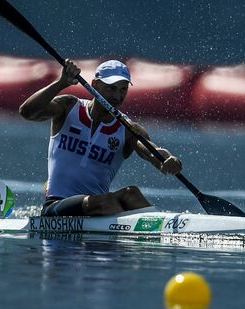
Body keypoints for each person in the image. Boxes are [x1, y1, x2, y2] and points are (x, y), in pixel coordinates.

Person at [19, 59, 183, 217]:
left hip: (98, 207)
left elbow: (151, 151)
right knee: (104, 202)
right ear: (95, 85)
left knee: (131, 194)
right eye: (111, 88)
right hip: (56, 206)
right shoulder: (69, 108)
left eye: (123, 89)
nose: (118, 97)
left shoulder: (127, 129)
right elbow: (27, 112)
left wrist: (167, 160)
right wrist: (62, 83)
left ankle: (158, 227)